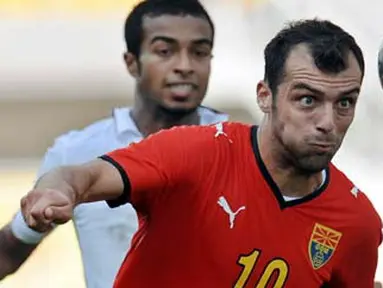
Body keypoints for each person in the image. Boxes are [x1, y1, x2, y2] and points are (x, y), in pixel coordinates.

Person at [20, 19, 382, 287]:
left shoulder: (358, 223)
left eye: (345, 103)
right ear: (264, 96)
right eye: (307, 100)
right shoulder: (198, 152)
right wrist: (59, 191)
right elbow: (85, 175)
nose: (327, 122)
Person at [0, 0, 227, 286]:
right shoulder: (76, 153)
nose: (184, 66)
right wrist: (39, 212)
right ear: (132, 62)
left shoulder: (245, 147)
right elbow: (8, 253)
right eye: (165, 51)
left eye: (199, 52)